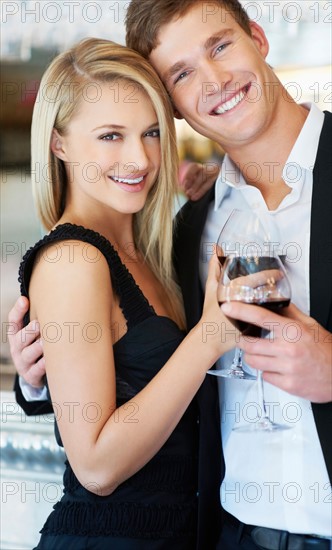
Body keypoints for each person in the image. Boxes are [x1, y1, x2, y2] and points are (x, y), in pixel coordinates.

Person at [8, 1, 332, 548]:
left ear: (258, 36)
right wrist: (43, 375)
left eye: (221, 45)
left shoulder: (167, 231)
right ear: (175, 104)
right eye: (181, 74)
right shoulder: (192, 230)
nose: (214, 80)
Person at [12, 36, 237, 549]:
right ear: (58, 142)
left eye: (152, 132)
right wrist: (208, 338)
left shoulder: (153, 250)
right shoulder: (73, 260)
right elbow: (95, 467)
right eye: (111, 136)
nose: (139, 157)